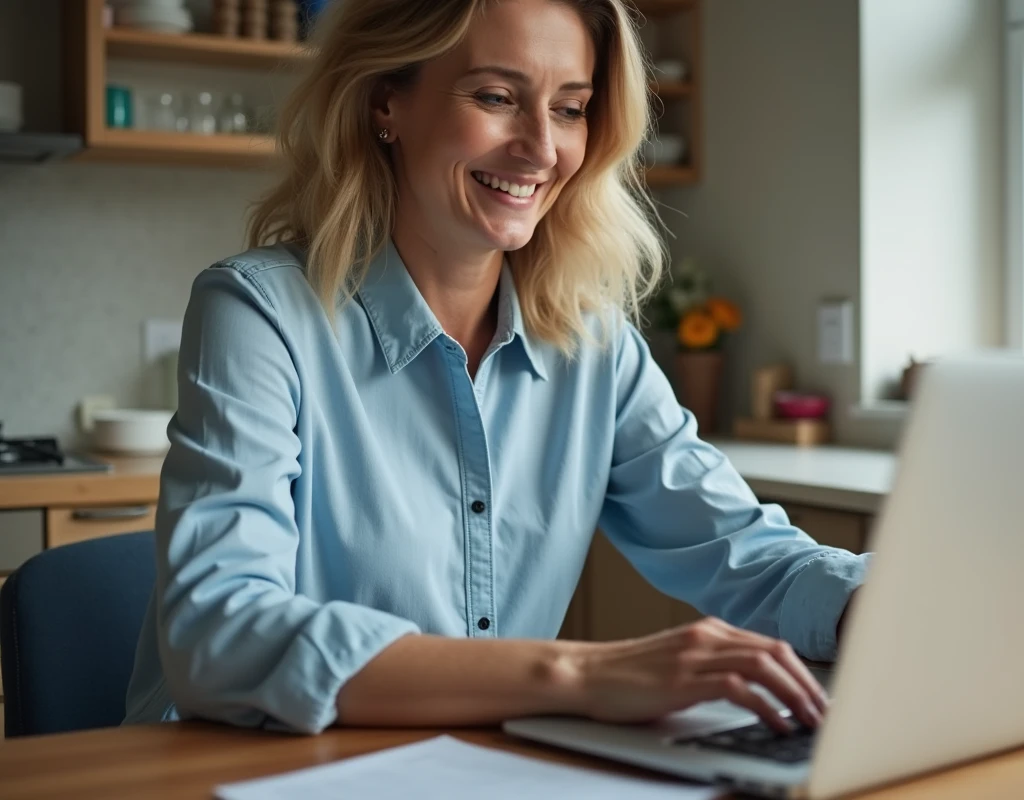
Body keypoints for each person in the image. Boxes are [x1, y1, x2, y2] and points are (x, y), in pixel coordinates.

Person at [124, 0, 869, 736]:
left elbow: (751, 558)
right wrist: (579, 675)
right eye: (496, 97)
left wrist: (892, 605)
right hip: (241, 767)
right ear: (386, 101)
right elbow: (218, 634)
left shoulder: (593, 344)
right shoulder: (259, 313)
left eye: (572, 108)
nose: (542, 147)